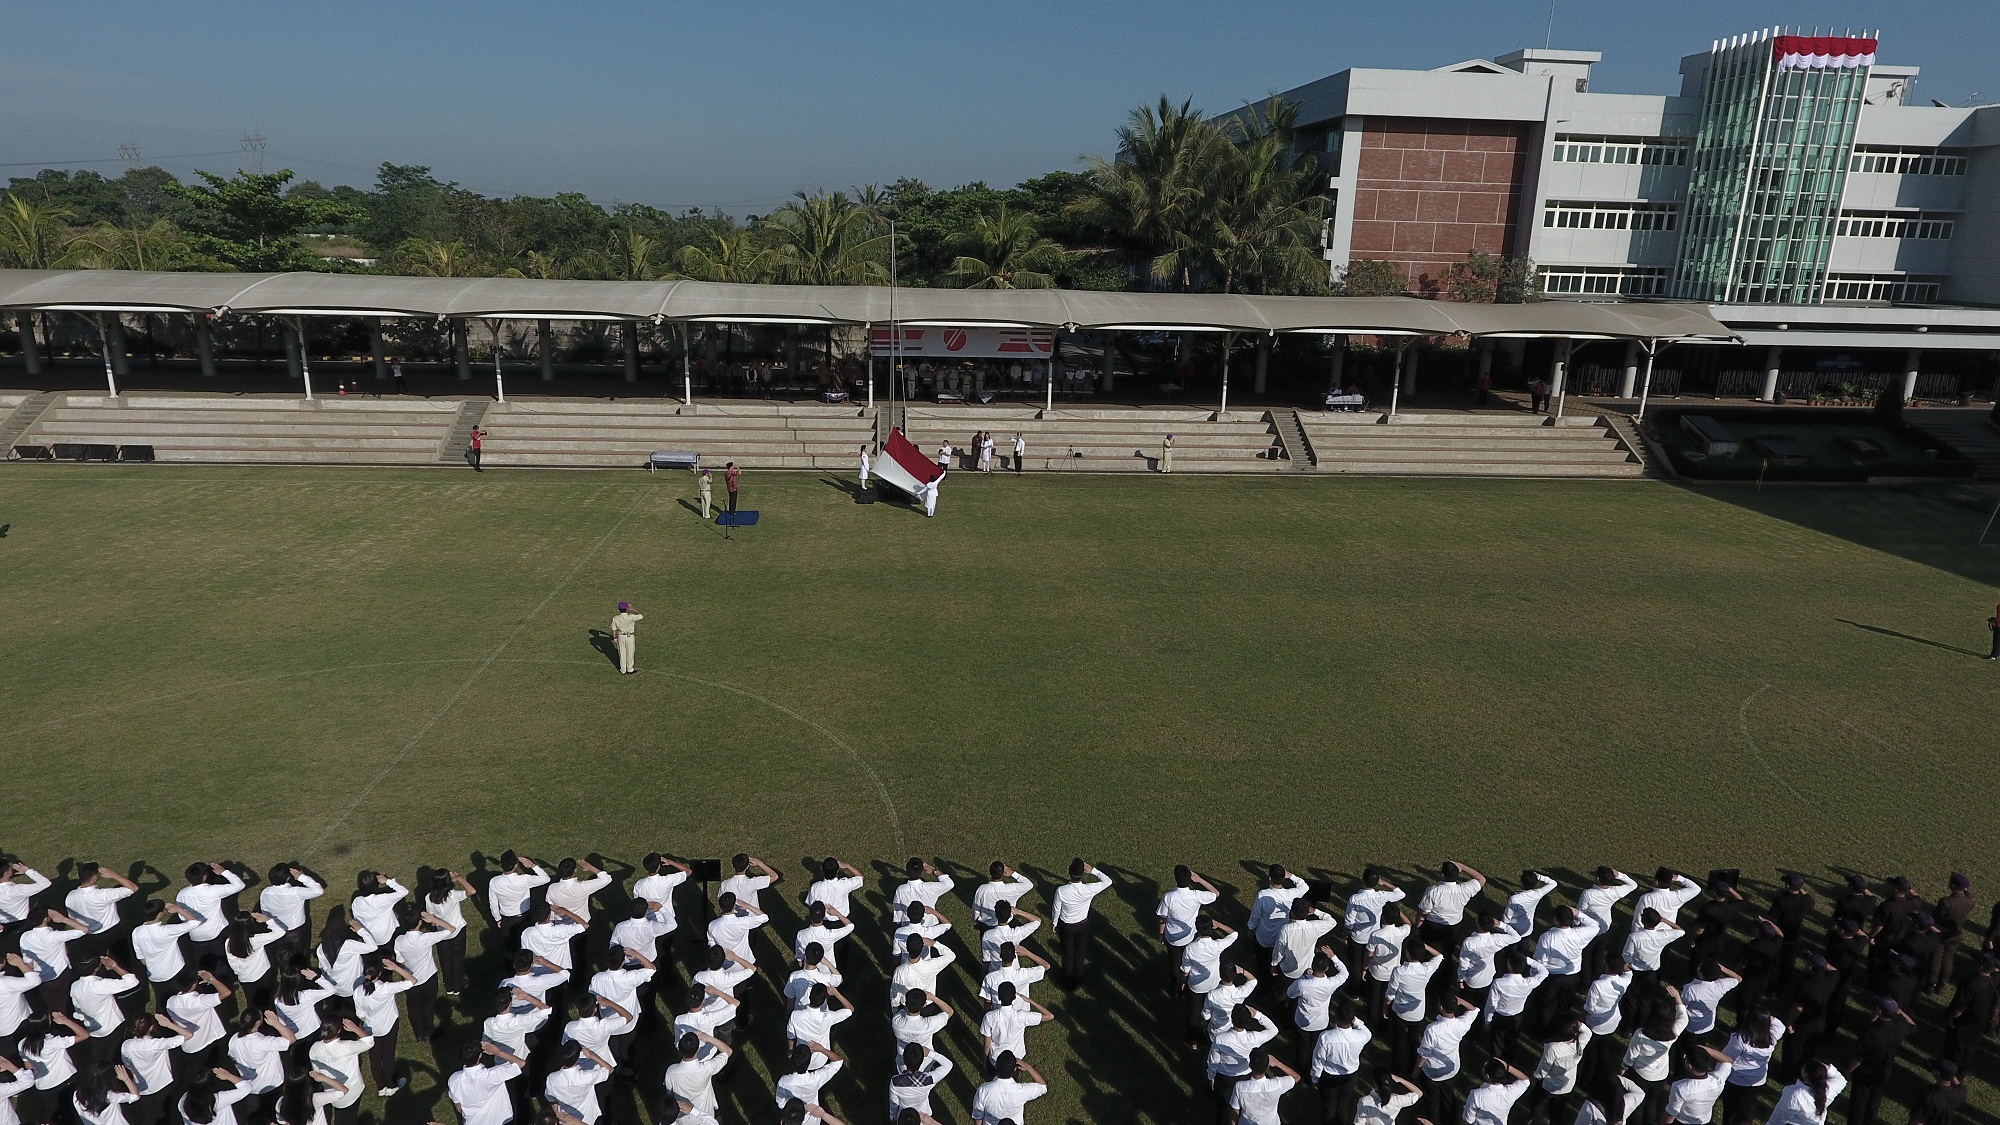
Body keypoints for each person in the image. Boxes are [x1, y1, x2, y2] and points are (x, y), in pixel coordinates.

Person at [447, 1040, 525, 1125]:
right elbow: (520, 1063)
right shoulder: (492, 1075)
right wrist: (498, 1052)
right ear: (480, 1055)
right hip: (502, 1121)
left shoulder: (453, 1080)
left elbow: (459, 1108)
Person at [971, 1053, 1045, 1125]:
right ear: (1014, 1069)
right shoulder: (1022, 1091)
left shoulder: (983, 1091)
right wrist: (1028, 1067)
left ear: (996, 1066)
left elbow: (978, 1115)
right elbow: (1043, 1087)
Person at [610, 602, 642, 676]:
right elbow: (640, 615)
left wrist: (615, 637)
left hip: (620, 637)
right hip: (629, 636)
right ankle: (630, 669)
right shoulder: (630, 617)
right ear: (626, 609)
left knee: (622, 653)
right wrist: (632, 608)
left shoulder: (615, 618)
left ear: (619, 609)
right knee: (630, 653)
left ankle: (623, 670)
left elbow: (614, 629)